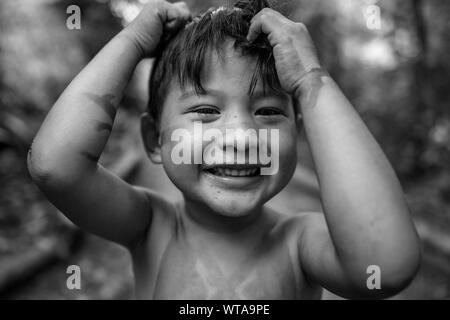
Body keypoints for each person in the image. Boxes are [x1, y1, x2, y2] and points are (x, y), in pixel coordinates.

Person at [28, 0, 421, 299]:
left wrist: (310, 80)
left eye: (268, 111)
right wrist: (132, 40)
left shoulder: (299, 242)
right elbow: (54, 166)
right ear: (153, 139)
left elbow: (385, 265)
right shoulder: (150, 227)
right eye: (205, 110)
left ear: (302, 134)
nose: (241, 136)